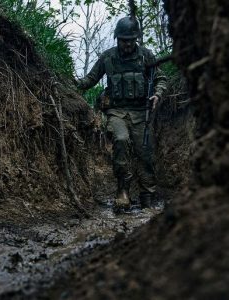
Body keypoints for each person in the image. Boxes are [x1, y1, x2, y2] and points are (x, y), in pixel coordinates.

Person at [76, 16, 167, 211]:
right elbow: (90, 79)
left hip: (141, 113)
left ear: (137, 39)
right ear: (117, 38)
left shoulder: (146, 56)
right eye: (123, 40)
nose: (127, 44)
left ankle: (147, 197)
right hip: (117, 111)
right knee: (120, 139)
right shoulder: (108, 57)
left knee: (146, 153)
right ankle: (122, 190)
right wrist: (74, 84)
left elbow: (161, 79)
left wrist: (158, 95)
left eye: (130, 40)